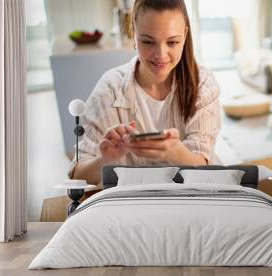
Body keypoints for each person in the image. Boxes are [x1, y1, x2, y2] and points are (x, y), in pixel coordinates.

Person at [70, 0, 221, 185]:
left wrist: (174, 153)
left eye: (172, 42)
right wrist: (105, 160)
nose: (161, 55)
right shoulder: (109, 90)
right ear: (134, 34)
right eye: (148, 41)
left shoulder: (202, 82)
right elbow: (77, 175)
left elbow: (204, 167)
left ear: (185, 35)